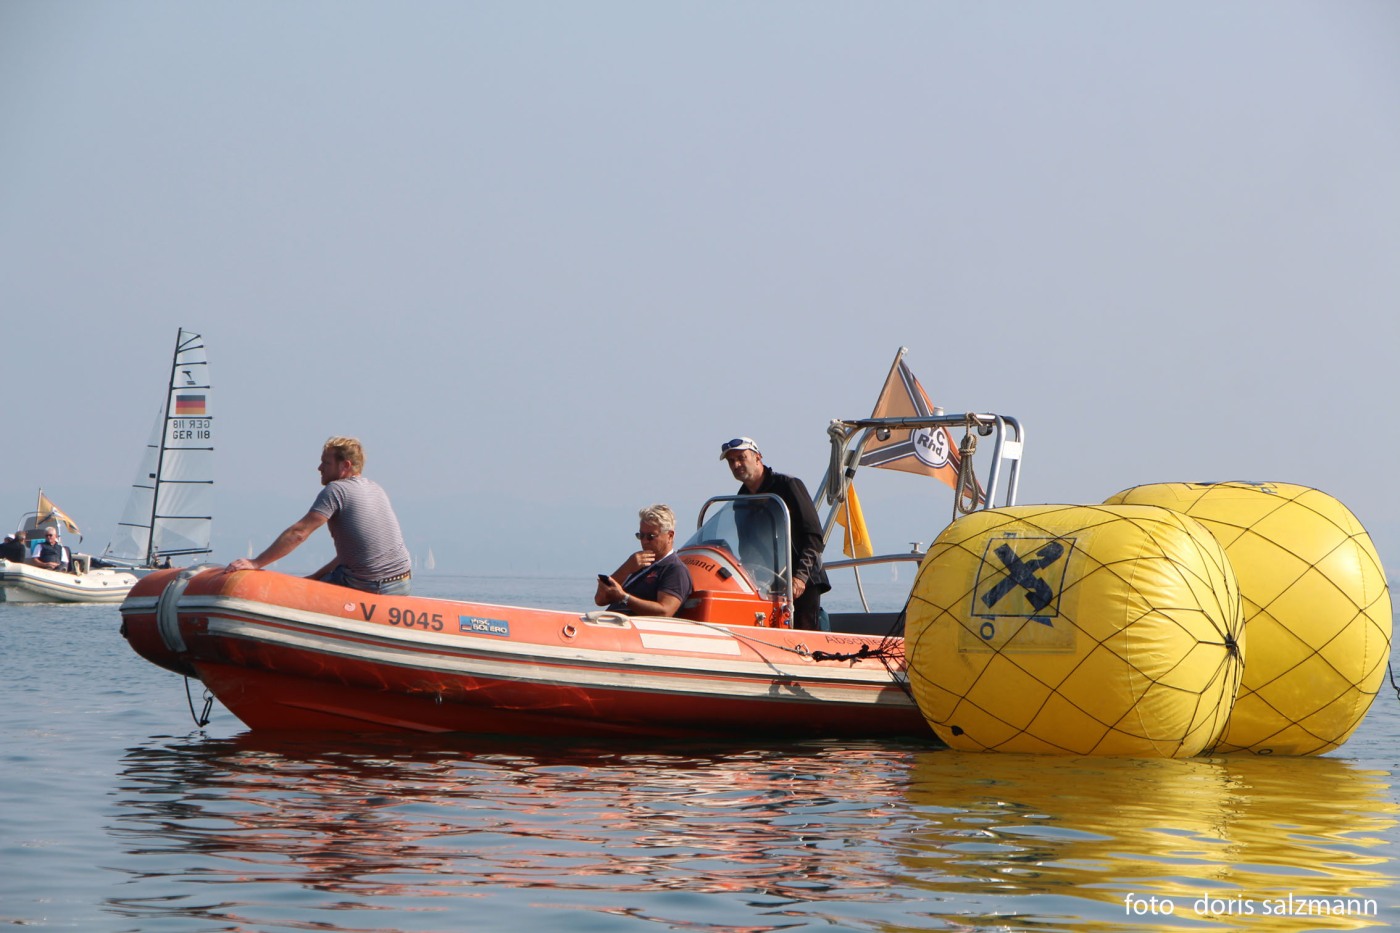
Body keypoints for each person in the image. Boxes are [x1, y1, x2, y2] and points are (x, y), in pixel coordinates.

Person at [226, 436, 413, 595]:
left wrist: (255, 563)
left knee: (292, 594)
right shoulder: (375, 489)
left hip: (369, 585)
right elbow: (358, 555)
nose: (319, 468)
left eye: (326, 463)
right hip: (402, 582)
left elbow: (299, 533)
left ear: (345, 466)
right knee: (318, 580)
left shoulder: (337, 490)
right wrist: (315, 577)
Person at [720, 437, 830, 630]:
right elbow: (746, 547)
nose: (736, 465)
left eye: (741, 458)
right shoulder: (741, 499)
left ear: (758, 457)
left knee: (804, 632)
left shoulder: (788, 485)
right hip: (769, 581)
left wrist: (800, 577)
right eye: (731, 461)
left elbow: (814, 536)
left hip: (804, 578)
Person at [595, 504, 693, 616]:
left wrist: (624, 597)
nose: (645, 541)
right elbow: (600, 599)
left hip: (632, 624)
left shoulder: (675, 569)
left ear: (669, 536)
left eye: (651, 536)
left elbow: (664, 611)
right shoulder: (637, 564)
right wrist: (626, 568)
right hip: (611, 621)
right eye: (641, 536)